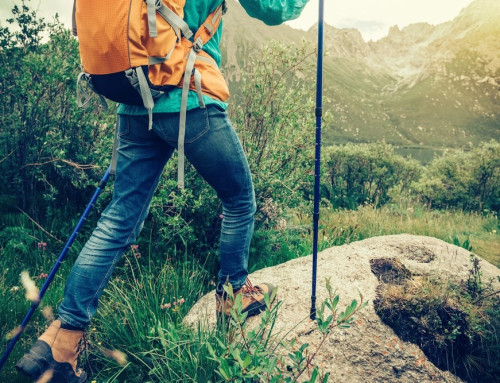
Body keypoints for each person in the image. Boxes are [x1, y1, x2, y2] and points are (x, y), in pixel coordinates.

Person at [16, 0, 309, 381]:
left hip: (135, 101)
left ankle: (64, 340)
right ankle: (235, 290)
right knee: (239, 199)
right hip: (190, 95)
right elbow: (273, 9)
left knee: (119, 218)